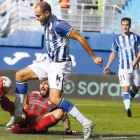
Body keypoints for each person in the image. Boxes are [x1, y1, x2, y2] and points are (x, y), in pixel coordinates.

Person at [7, 1, 103, 139]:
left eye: (38, 15)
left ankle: (86, 122)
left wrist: (93, 57)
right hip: (49, 63)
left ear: (47, 13)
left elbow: (80, 37)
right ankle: (17, 114)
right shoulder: (46, 23)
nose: (36, 18)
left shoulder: (59, 24)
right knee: (20, 75)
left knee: (54, 99)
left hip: (60, 65)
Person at [0, 78, 76, 134]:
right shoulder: (32, 94)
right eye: (41, 83)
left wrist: (67, 129)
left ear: (51, 87)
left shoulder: (55, 100)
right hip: (25, 117)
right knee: (15, 106)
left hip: (37, 120)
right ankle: (1, 96)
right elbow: (25, 107)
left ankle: (27, 130)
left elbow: (65, 117)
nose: (42, 86)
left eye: (46, 84)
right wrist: (15, 121)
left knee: (60, 112)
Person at [103, 17, 140, 117]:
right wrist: (107, 66)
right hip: (123, 68)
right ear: (121, 26)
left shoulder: (136, 37)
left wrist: (136, 60)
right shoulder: (117, 39)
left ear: (130, 26)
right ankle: (127, 108)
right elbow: (113, 53)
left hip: (135, 67)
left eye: (127, 25)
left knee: (136, 89)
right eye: (123, 25)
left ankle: (129, 100)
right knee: (126, 88)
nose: (125, 27)